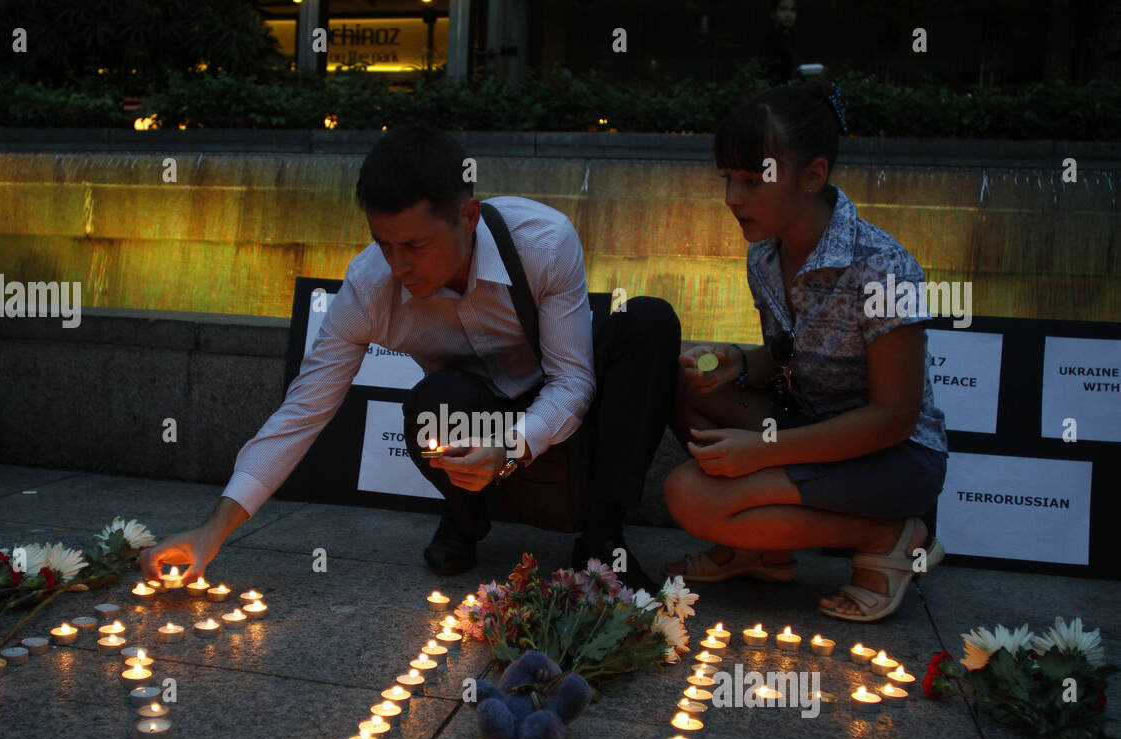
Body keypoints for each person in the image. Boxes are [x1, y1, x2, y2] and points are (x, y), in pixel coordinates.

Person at [141, 127, 680, 593]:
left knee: (648, 322)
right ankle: (464, 520)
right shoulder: (368, 288)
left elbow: (572, 384)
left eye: (415, 246)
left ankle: (603, 540)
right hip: (469, 410)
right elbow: (300, 415)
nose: (398, 265)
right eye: (383, 243)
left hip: (558, 405)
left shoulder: (541, 241)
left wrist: (511, 448)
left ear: (467, 216)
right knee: (433, 402)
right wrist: (212, 531)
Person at [663, 79, 948, 622]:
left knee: (690, 497)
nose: (732, 198)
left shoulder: (883, 267)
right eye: (728, 178)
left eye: (752, 180)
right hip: (809, 425)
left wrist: (763, 451)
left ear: (813, 176)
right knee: (682, 380)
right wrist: (742, 363)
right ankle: (763, 551)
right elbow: (793, 360)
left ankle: (891, 535)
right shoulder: (764, 256)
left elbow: (895, 417)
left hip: (892, 458)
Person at [760, 0, 798, 85]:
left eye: (792, 10)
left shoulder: (789, 39)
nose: (788, 14)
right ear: (773, 14)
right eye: (783, 9)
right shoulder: (770, 40)